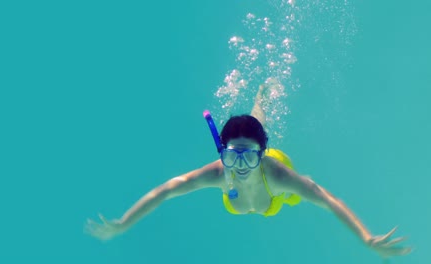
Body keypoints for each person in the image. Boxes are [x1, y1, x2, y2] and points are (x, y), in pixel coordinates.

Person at [85, 84, 412, 259]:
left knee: (297, 191)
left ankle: (262, 98)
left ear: (261, 154)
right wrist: (124, 222)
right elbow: (168, 189)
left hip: (274, 197)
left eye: (249, 156)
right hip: (239, 201)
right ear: (222, 152)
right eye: (233, 155)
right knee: (253, 133)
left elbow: (328, 199)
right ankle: (259, 101)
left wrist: (365, 237)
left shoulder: (278, 174)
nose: (240, 166)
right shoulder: (217, 172)